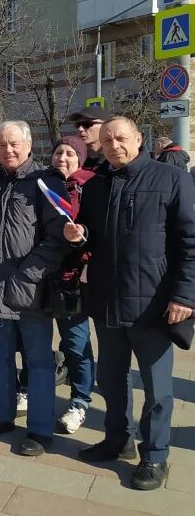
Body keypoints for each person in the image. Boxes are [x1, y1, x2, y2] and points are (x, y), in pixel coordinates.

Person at [64, 116, 195, 490]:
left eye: (121, 138)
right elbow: (89, 234)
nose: (114, 145)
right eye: (106, 141)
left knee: (157, 389)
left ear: (138, 139)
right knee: (111, 380)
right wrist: (78, 235)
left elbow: (190, 244)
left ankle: (155, 457)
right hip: (107, 301)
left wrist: (185, 296)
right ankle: (116, 440)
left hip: (154, 306)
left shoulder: (172, 179)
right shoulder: (96, 186)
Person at [0, 120, 70, 456]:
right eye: (2, 145)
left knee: (38, 362)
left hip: (30, 290)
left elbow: (58, 238)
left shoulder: (46, 183)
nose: (8, 150)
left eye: (14, 144)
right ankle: (0, 418)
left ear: (28, 144)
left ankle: (39, 430)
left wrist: (29, 274)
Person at [49, 136, 95, 434]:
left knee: (77, 344)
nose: (62, 158)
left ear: (80, 159)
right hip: (40, 279)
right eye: (58, 152)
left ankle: (80, 401)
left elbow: (98, 232)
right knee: (35, 345)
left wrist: (81, 237)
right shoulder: (41, 183)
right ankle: (28, 389)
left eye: (70, 154)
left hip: (72, 280)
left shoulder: (89, 187)